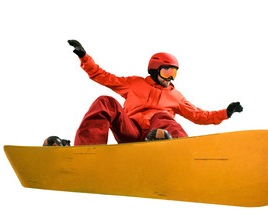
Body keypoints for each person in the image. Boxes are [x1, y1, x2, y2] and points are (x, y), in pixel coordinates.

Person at [44, 40, 243, 146]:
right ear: (155, 69)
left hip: (157, 136)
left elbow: (199, 115)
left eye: (174, 72)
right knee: (106, 102)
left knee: (162, 117)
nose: (170, 77)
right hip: (130, 132)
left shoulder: (176, 96)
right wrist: (84, 57)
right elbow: (103, 76)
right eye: (167, 71)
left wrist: (225, 113)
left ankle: (178, 149)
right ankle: (87, 150)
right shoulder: (134, 84)